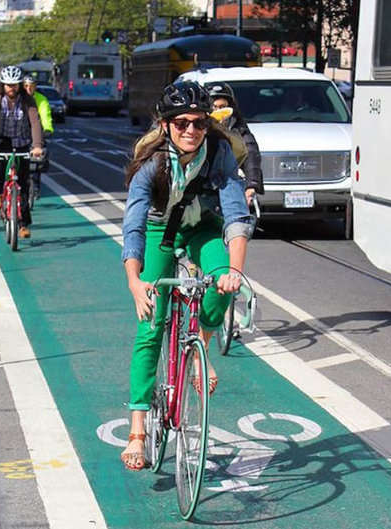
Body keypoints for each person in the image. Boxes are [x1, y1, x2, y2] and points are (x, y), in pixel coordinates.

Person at [119, 81, 253, 471]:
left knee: (221, 280)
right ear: (166, 125)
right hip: (162, 230)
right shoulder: (152, 163)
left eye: (198, 122)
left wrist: (234, 272)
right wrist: (135, 282)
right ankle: (138, 430)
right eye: (181, 123)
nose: (190, 130)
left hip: (204, 228)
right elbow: (133, 226)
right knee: (150, 326)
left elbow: (235, 217)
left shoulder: (220, 153)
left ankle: (200, 351)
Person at [0, 65, 43, 239]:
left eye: (14, 85)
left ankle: (23, 225)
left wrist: (37, 146)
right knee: (1, 167)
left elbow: (35, 123)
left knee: (24, 184)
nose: (11, 88)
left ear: (20, 85)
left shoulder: (28, 100)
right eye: (8, 85)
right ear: (3, 85)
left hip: (22, 141)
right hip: (2, 139)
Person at [208, 83, 264, 205]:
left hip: (231, 183)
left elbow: (251, 153)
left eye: (223, 107)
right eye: (214, 107)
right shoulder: (200, 127)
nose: (218, 111)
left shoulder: (238, 128)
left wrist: (252, 185)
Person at [22, 75, 53, 198]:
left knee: (38, 157)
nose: (29, 89)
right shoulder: (17, 98)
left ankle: (35, 184)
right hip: (19, 132)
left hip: (36, 131)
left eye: (32, 86)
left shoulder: (41, 99)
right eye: (26, 86)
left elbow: (45, 115)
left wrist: (47, 129)